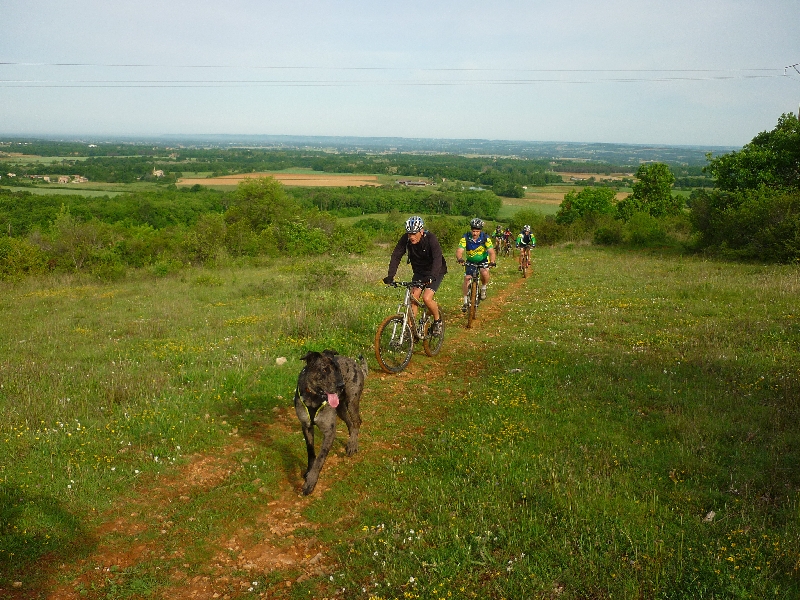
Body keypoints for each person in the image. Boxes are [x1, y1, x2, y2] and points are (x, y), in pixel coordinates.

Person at [384, 215, 447, 334]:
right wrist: (390, 275)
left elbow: (437, 258)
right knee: (413, 298)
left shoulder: (431, 239)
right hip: (419, 271)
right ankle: (411, 331)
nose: (411, 237)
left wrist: (432, 276)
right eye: (409, 234)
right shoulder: (406, 239)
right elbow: (396, 255)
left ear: (421, 231)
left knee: (427, 298)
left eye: (414, 234)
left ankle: (438, 321)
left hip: (436, 271)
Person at [456, 218, 496, 312]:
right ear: (471, 230)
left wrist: (492, 261)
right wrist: (460, 258)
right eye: (473, 231)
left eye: (477, 231)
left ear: (480, 231)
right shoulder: (465, 237)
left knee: (484, 272)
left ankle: (483, 288)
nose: (475, 233)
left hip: (483, 260)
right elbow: (459, 250)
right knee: (467, 278)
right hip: (471, 261)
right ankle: (465, 301)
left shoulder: (485, 238)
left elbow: (491, 252)